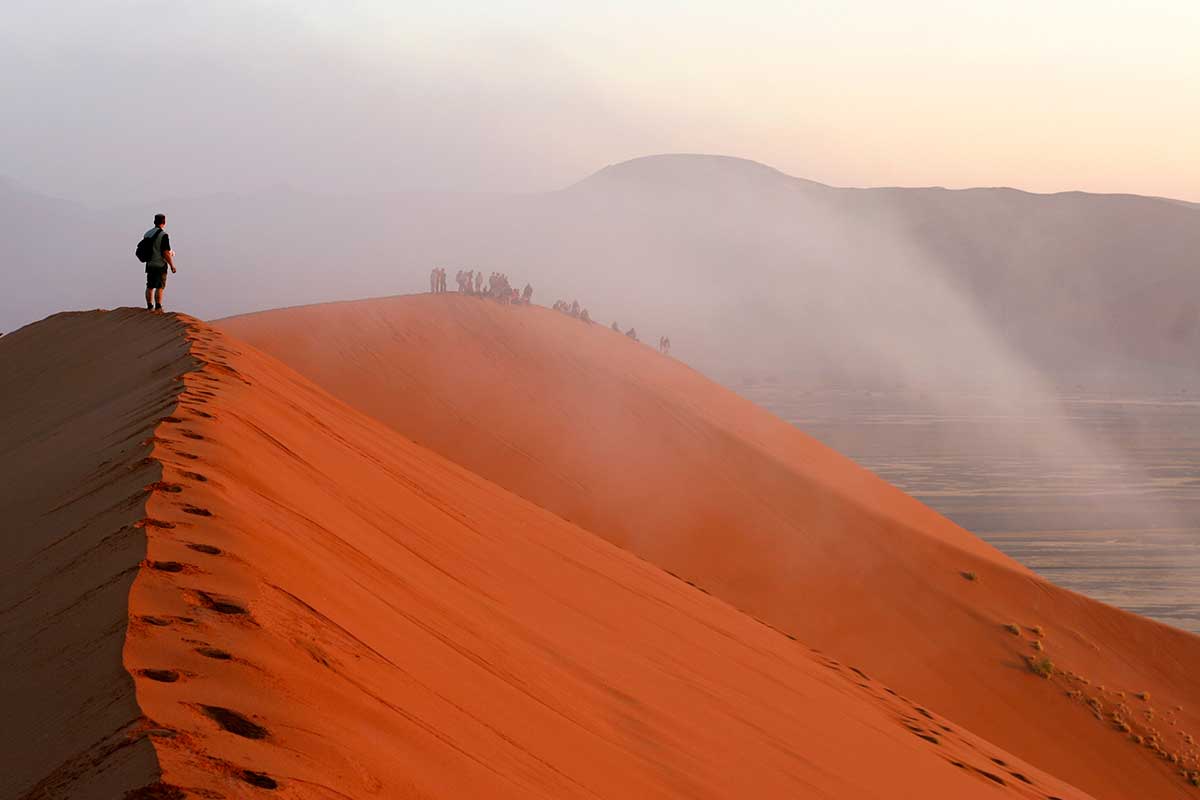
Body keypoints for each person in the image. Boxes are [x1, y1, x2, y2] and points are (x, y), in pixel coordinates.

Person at [142, 213, 176, 311]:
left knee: (150, 286)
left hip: (150, 263)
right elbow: (165, 252)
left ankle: (149, 306)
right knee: (160, 286)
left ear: (154, 222)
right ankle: (158, 307)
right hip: (160, 264)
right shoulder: (163, 235)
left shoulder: (147, 234)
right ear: (164, 222)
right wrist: (172, 265)